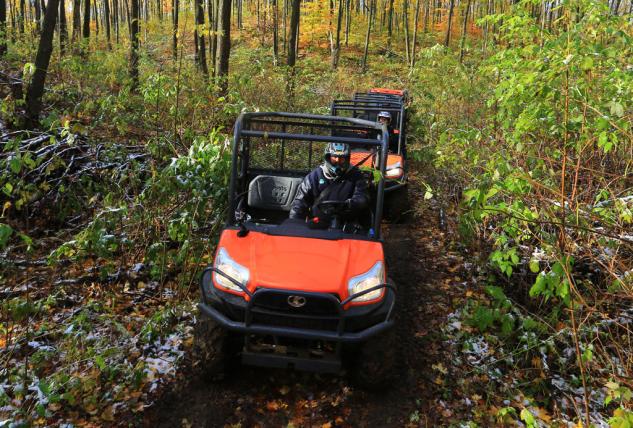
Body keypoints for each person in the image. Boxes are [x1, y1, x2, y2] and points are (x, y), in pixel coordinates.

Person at [289, 143, 369, 224]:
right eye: (334, 157)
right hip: (317, 223)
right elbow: (299, 202)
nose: (337, 161)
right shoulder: (315, 176)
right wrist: (294, 225)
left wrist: (349, 204)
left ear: (347, 159)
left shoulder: (356, 175)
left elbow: (362, 196)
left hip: (346, 224)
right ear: (328, 158)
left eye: (342, 158)